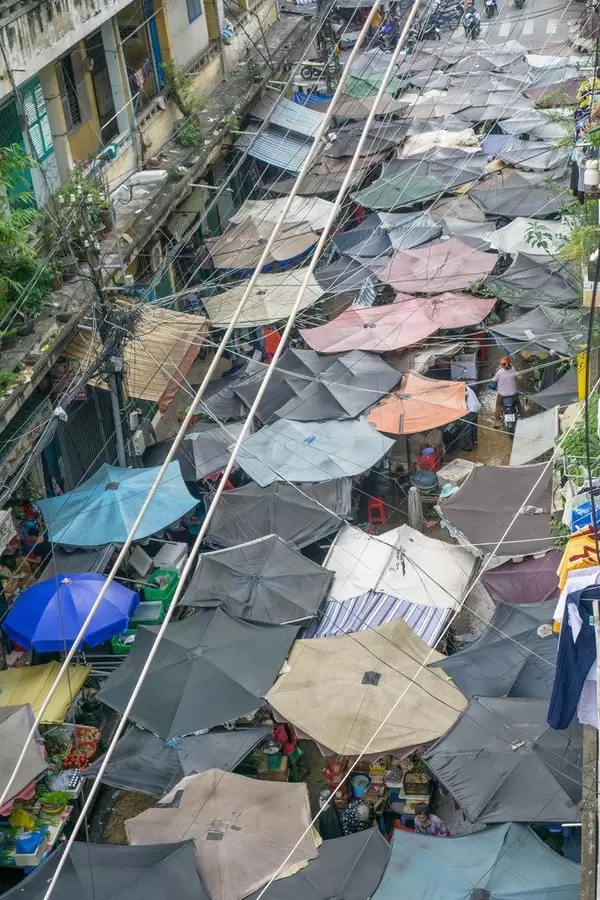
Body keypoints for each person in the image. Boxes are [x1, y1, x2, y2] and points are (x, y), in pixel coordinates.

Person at [493, 356, 523, 427]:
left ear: (502, 365)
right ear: (509, 364)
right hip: (513, 393)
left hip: (502, 395)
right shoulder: (513, 370)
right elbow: (520, 377)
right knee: (518, 404)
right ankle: (522, 416)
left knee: (498, 405)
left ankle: (497, 420)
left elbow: (493, 380)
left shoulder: (499, 372)